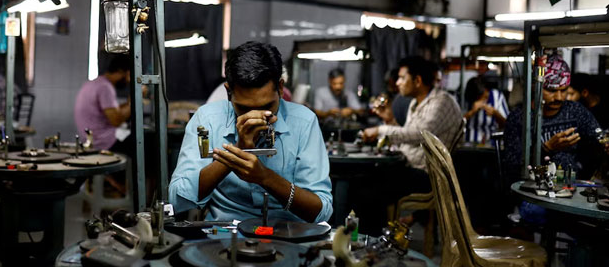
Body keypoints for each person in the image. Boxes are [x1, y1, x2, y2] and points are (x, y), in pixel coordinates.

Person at [169, 41, 332, 223]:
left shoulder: (304, 122)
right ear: (228, 92)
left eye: (266, 107)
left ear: (280, 88)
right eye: (244, 108)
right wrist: (238, 151)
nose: (255, 117)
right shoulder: (207, 119)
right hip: (225, 231)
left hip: (289, 231)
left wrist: (266, 178)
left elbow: (321, 211)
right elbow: (178, 200)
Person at [502, 54, 600, 184]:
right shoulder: (519, 117)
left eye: (564, 90)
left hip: (571, 185)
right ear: (536, 87)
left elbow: (598, 138)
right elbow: (512, 165)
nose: (559, 97)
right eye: (551, 90)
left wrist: (604, 144)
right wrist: (546, 148)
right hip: (532, 186)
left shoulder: (575, 111)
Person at [364, 56, 463, 171]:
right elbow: (408, 137)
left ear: (417, 81)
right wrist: (390, 120)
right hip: (407, 166)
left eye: (402, 78)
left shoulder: (442, 102)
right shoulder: (415, 103)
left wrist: (380, 130)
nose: (397, 83)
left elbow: (420, 134)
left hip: (424, 174)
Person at [74, 54, 131, 151]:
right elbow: (116, 121)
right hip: (104, 142)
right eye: (129, 75)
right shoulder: (105, 87)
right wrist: (135, 100)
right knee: (147, 140)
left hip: (91, 140)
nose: (129, 80)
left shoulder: (92, 83)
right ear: (121, 71)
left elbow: (112, 110)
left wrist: (128, 103)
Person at [463, 76, 508, 145]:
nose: (483, 101)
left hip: (492, 144)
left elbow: (508, 124)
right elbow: (457, 123)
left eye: (485, 97)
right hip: (469, 143)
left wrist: (496, 113)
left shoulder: (497, 97)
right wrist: (471, 112)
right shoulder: (467, 98)